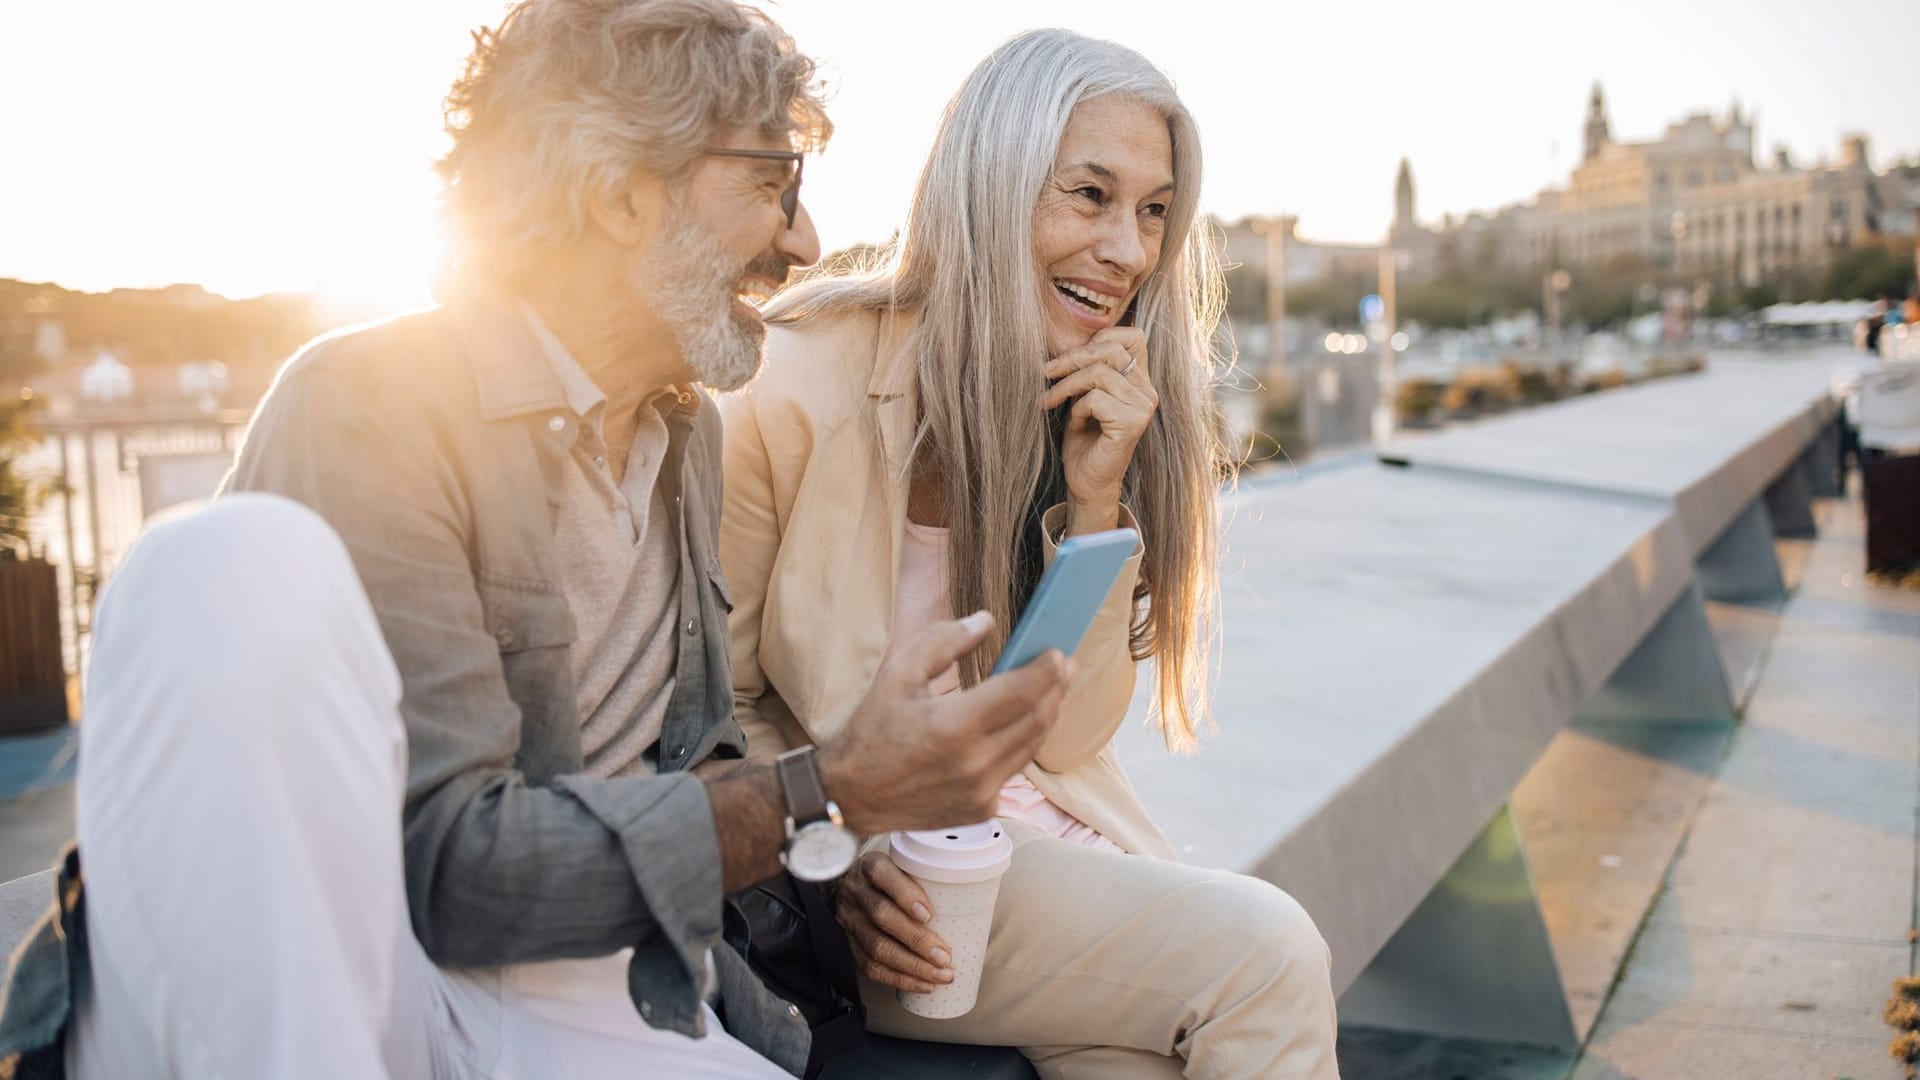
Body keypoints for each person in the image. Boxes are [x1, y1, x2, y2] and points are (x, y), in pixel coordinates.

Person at [0, 2, 1075, 1077]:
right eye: (771, 183)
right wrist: (828, 786)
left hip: (599, 971)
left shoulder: (682, 429)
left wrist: (829, 855)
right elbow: (454, 878)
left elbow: (684, 766)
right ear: (619, 196)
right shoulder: (369, 409)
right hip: (374, 968)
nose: (803, 240)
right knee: (213, 562)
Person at [720, 29, 1340, 1079]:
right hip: (894, 895)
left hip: (1048, 851)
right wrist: (831, 851)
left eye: (1152, 213)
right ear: (992, 186)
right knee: (1270, 955)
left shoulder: (1082, 402)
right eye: (1089, 195)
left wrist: (1096, 500)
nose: (1130, 251)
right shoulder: (789, 383)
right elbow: (713, 711)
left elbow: (1071, 735)